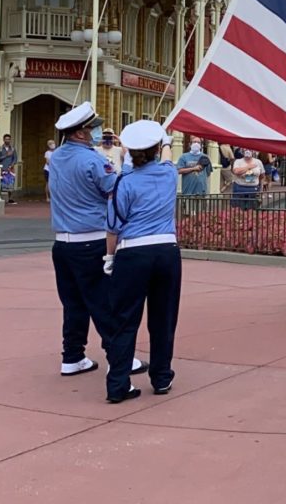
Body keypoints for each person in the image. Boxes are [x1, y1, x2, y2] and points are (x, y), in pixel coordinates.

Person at [48, 101, 146, 379]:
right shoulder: (92, 160)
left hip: (62, 243)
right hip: (91, 240)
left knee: (73, 303)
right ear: (80, 133)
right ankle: (119, 357)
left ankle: (72, 356)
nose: (96, 132)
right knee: (105, 302)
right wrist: (128, 165)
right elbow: (116, 191)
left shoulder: (56, 157)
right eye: (91, 128)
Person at [103, 120, 182, 403]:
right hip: (166, 251)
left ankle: (118, 384)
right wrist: (166, 140)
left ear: (128, 151)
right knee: (163, 318)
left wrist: (109, 257)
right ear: (156, 149)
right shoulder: (169, 174)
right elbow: (167, 157)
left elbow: (113, 226)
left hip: (133, 252)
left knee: (124, 320)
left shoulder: (124, 182)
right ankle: (161, 377)